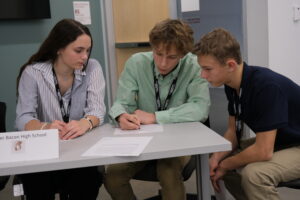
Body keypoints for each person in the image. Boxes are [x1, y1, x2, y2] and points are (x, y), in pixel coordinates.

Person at [104, 19, 210, 200]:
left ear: (183, 54)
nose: (162, 63)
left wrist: (155, 117)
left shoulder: (194, 66)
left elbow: (200, 108)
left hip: (179, 139)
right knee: (113, 176)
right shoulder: (136, 63)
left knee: (168, 173)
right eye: (158, 53)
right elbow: (123, 103)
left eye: (171, 57)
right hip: (143, 139)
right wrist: (121, 115)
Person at [193, 28, 300, 200]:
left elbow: (264, 151)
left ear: (230, 65)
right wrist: (217, 158)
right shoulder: (232, 84)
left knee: (254, 175)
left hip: (295, 145)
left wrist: (226, 164)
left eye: (207, 69)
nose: (202, 75)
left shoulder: (266, 86)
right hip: (282, 140)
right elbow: (233, 132)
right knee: (224, 159)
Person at [15, 19, 106, 200]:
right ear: (59, 48)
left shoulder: (93, 67)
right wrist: (45, 128)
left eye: (88, 50)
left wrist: (84, 123)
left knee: (88, 180)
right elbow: (23, 118)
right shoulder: (33, 73)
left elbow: (97, 110)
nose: (85, 57)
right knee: (37, 182)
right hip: (44, 155)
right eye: (78, 50)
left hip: (80, 151)